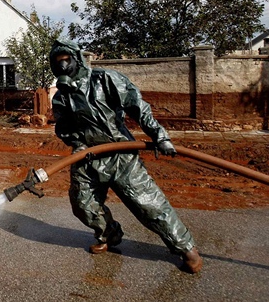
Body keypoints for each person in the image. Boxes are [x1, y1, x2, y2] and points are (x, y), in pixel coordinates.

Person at [49, 38, 203, 273]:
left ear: (77, 59)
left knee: (147, 204)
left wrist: (159, 136)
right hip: (87, 158)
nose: (62, 66)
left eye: (65, 60)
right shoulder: (61, 96)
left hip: (120, 154)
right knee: (83, 204)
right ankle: (109, 235)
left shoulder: (105, 79)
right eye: (57, 62)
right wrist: (78, 144)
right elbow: (64, 128)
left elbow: (137, 106)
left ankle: (186, 248)